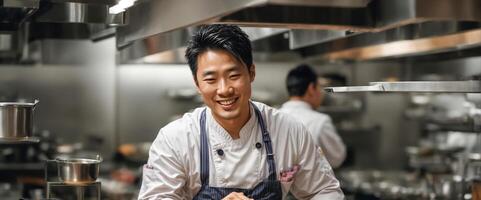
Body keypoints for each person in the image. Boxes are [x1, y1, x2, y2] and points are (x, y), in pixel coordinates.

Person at [138, 25, 344, 200]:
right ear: (197, 84)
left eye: (233, 75)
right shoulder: (175, 139)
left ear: (251, 73)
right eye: (210, 79)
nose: (224, 89)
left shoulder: (289, 130)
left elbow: (326, 191)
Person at [280, 64, 347, 168]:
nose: (321, 93)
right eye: (320, 87)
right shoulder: (320, 121)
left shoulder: (274, 117)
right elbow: (337, 158)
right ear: (311, 89)